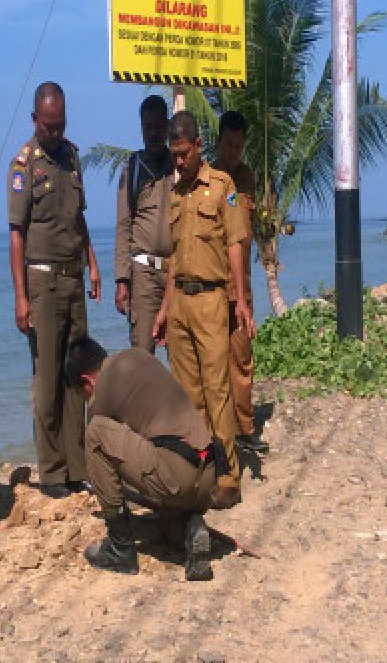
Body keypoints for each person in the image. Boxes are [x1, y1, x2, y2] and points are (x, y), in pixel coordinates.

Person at [154, 111, 254, 509]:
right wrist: (164, 309)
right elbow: (175, 258)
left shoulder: (222, 187)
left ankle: (229, 475)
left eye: (183, 153)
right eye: (173, 155)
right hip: (180, 301)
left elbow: (235, 244)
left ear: (198, 147)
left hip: (213, 300)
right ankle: (201, 470)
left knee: (217, 391)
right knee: (187, 395)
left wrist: (241, 300)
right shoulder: (176, 195)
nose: (178, 161)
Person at [8, 82, 102, 498]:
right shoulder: (24, 165)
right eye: (48, 126)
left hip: (74, 277)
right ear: (34, 120)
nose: (55, 133)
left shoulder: (72, 158)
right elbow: (16, 235)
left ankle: (76, 465)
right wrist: (21, 298)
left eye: (60, 125)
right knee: (46, 378)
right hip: (42, 280)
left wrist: (94, 265)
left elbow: (79, 219)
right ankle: (51, 471)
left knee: (74, 373)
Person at [66, 336, 217, 581]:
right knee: (165, 526)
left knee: (95, 434)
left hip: (176, 474)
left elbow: (99, 456)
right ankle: (190, 526)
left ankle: (120, 549)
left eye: (80, 394)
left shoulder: (102, 391)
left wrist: (113, 501)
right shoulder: (139, 357)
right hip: (210, 474)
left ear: (87, 381)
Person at [211, 111, 267, 454]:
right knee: (215, 362)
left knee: (242, 358)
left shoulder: (246, 178)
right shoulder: (209, 179)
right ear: (218, 142)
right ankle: (220, 432)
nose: (234, 152)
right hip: (216, 286)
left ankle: (245, 429)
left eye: (239, 146)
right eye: (229, 145)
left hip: (242, 287)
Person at [113, 95, 174, 353]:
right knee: (142, 355)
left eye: (158, 126)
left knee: (181, 355)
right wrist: (121, 279)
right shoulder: (132, 168)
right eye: (147, 127)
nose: (153, 133)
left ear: (167, 127)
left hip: (175, 274)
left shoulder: (179, 165)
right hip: (143, 274)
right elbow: (124, 224)